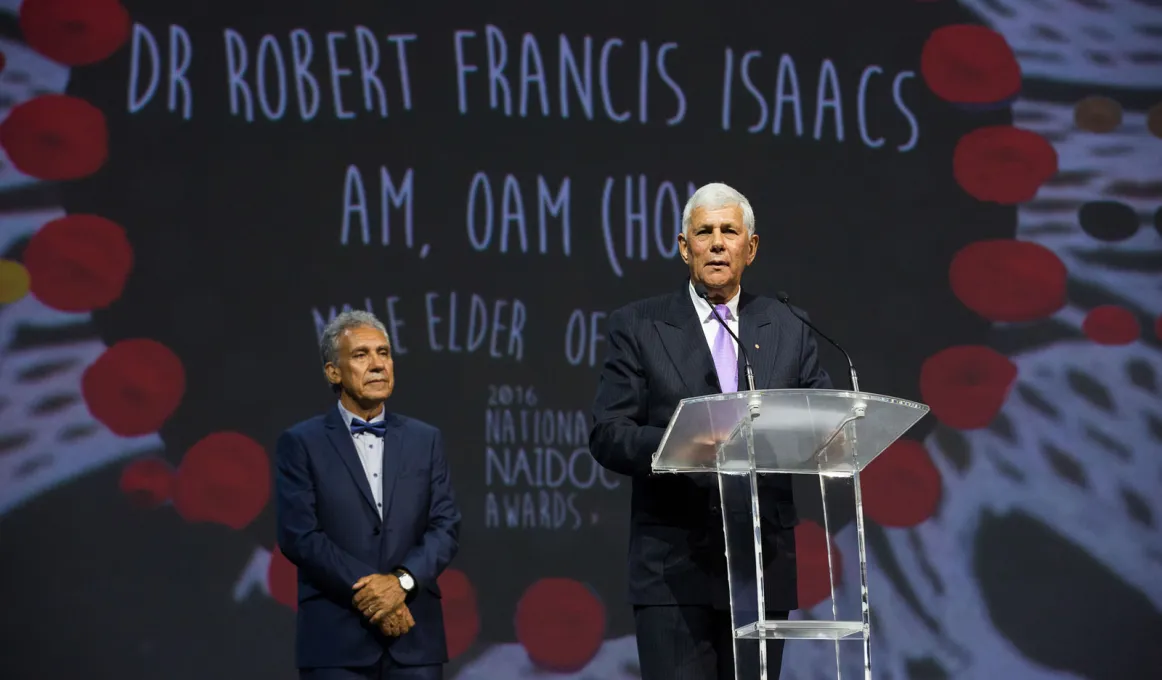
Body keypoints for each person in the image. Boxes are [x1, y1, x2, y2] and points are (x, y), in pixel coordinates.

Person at [589, 182, 832, 680]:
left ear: (751, 247)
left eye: (729, 231)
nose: (717, 243)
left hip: (763, 565)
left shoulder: (788, 324)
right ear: (685, 247)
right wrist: (686, 443)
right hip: (673, 569)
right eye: (704, 232)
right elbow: (609, 433)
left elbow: (824, 418)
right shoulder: (639, 326)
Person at [276, 310, 461, 680]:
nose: (377, 365)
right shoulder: (301, 443)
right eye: (361, 355)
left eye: (384, 353)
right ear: (333, 372)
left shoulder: (426, 440)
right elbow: (301, 536)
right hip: (336, 641)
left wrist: (401, 583)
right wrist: (375, 594)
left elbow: (445, 526)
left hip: (414, 640)